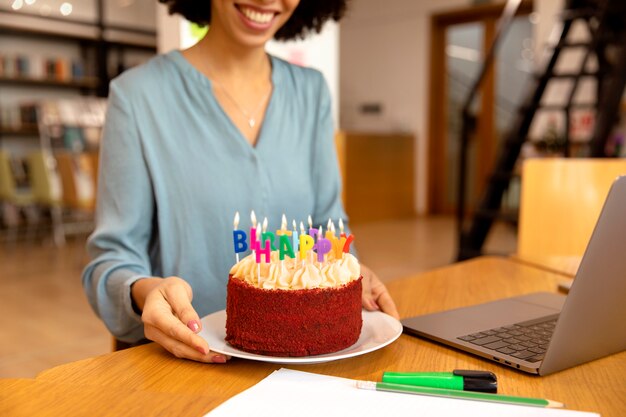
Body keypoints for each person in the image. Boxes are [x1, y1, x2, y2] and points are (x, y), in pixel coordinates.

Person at [83, 0, 399, 364]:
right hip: (188, 367)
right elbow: (111, 260)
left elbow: (327, 228)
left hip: (310, 368)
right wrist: (145, 291)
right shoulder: (138, 97)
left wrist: (348, 272)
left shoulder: (310, 92)